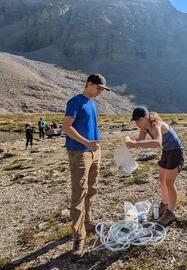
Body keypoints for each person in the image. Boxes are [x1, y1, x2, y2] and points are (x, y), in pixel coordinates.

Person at [61, 74, 110, 258]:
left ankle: (87, 223)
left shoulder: (92, 104)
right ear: (89, 84)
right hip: (79, 153)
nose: (100, 92)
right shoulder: (75, 101)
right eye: (98, 88)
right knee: (79, 193)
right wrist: (87, 143)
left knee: (92, 189)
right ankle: (78, 236)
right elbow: (66, 127)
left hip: (93, 152)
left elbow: (90, 127)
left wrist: (95, 146)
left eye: (102, 90)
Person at [126, 107, 185, 226]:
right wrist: (130, 142)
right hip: (167, 151)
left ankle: (170, 213)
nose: (136, 124)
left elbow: (157, 142)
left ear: (144, 118)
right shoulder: (144, 127)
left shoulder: (156, 124)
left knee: (169, 182)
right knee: (162, 180)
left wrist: (135, 145)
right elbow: (140, 139)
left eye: (138, 121)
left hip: (176, 151)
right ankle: (165, 203)